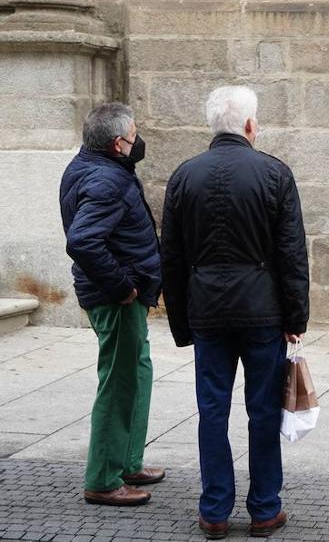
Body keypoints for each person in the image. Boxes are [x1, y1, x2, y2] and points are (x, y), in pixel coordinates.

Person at [160, 86, 309, 540]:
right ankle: (265, 509)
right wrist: (295, 318)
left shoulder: (184, 176)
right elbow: (292, 254)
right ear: (249, 126)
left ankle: (214, 511)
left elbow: (172, 257)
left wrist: (181, 324)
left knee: (211, 410)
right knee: (263, 410)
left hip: (207, 310)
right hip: (261, 311)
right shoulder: (274, 173)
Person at [59, 102, 164, 507]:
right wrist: (122, 287)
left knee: (136, 372)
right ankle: (103, 478)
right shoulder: (107, 181)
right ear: (119, 144)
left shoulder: (95, 169)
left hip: (122, 294)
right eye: (135, 136)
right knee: (119, 383)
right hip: (115, 297)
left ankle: (128, 461)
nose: (139, 142)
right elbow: (83, 240)